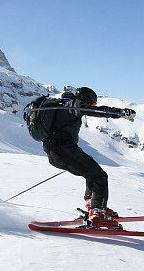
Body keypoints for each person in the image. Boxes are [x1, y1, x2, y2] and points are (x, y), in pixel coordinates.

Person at [40, 86, 135, 228]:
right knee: (99, 176)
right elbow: (96, 111)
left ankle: (94, 205)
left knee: (92, 173)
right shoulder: (74, 104)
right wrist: (119, 113)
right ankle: (97, 213)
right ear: (86, 100)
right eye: (92, 103)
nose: (92, 106)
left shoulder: (61, 106)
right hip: (63, 150)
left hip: (55, 152)